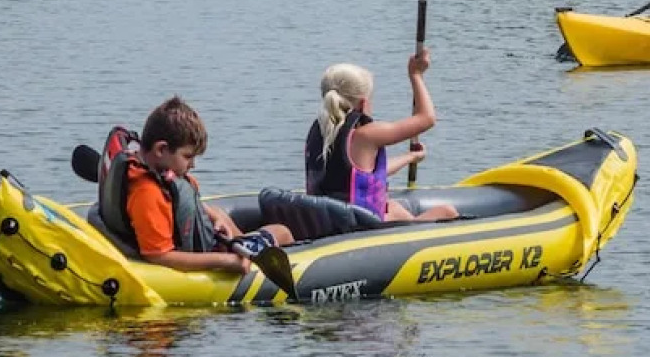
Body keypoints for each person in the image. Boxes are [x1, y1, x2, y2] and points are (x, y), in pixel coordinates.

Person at [118, 97, 294, 273]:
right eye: (188, 157)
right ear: (161, 149)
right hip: (208, 252)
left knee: (220, 214)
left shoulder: (145, 169)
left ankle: (246, 244)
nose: (192, 165)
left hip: (212, 239)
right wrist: (225, 261)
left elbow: (180, 204)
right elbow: (158, 255)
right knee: (283, 232)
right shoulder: (147, 192)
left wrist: (213, 216)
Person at [304, 51, 459, 223]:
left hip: (325, 222)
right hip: (359, 228)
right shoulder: (367, 135)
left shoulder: (320, 131)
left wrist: (410, 157)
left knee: (393, 208)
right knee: (448, 211)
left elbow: (362, 175)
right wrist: (416, 75)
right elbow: (426, 119)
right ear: (363, 103)